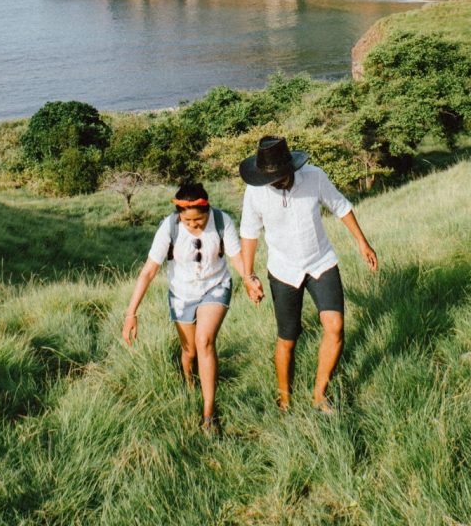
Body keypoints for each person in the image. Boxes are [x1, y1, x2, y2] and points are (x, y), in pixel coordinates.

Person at [238, 135, 378, 414]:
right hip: (283, 270)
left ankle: (319, 395)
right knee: (288, 339)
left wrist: (362, 242)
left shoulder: (314, 177)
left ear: (291, 167)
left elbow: (340, 206)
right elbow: (249, 233)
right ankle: (285, 401)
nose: (276, 182)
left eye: (280, 175)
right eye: (270, 178)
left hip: (320, 261)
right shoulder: (255, 191)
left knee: (335, 327)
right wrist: (248, 275)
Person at [122, 179, 258, 434]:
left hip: (215, 286)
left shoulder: (221, 221)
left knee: (204, 342)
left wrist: (249, 280)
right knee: (190, 352)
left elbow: (236, 257)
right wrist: (131, 313)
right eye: (188, 222)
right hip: (181, 293)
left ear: (207, 211)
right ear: (179, 217)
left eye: (199, 221)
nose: (194, 226)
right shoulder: (169, 227)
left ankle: (209, 414)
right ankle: (189, 382)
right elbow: (149, 271)